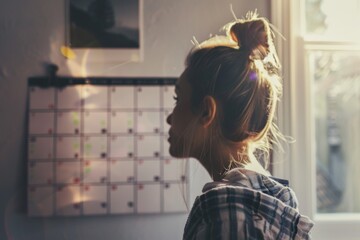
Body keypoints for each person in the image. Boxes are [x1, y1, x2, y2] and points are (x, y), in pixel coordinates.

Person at [166, 10, 314, 239]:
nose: (169, 117)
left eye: (178, 99)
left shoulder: (225, 210)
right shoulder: (274, 195)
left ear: (206, 111)